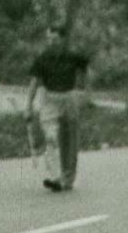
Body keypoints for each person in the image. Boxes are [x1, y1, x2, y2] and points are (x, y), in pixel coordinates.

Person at [24, 22, 90, 192]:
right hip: (49, 99)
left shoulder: (74, 57)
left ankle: (67, 179)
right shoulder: (42, 59)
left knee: (70, 140)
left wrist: (84, 92)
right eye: (49, 39)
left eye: (54, 39)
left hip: (69, 98)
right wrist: (28, 106)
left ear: (63, 40)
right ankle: (56, 177)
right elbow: (34, 83)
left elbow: (85, 71)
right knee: (51, 138)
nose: (51, 42)